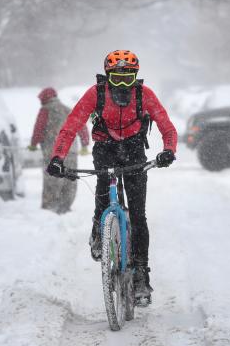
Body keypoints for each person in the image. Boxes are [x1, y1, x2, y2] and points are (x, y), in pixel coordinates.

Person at [46, 50, 177, 305]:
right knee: (104, 186)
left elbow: (167, 126)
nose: (122, 84)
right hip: (105, 148)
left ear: (136, 78)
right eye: (117, 78)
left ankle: (141, 274)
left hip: (135, 149)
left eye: (128, 78)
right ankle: (99, 226)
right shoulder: (95, 94)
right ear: (107, 77)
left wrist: (168, 151)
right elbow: (71, 126)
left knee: (138, 215)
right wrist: (57, 157)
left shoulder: (145, 95)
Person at [28, 87, 90, 214]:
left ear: (44, 99)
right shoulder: (68, 109)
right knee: (70, 178)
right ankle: (65, 205)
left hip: (53, 153)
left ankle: (50, 207)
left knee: (52, 178)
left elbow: (39, 129)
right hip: (71, 151)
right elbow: (82, 126)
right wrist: (84, 144)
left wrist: (34, 144)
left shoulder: (45, 110)